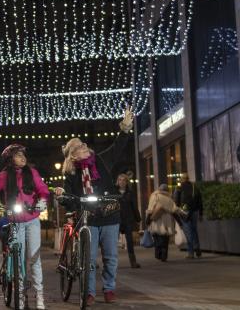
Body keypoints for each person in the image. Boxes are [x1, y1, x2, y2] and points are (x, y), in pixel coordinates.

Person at [54, 107, 134, 306]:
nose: (84, 148)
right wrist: (62, 196)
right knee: (88, 260)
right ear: (72, 156)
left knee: (111, 257)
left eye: (83, 145)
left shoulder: (100, 160)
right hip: (88, 218)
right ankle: (88, 292)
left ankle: (109, 289)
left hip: (109, 214)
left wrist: (125, 127)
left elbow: (118, 146)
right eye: (79, 148)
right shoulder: (71, 174)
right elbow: (70, 198)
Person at [0, 144, 49, 310]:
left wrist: (42, 200)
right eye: (18, 155)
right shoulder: (5, 175)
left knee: (35, 259)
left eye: (23, 154)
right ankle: (20, 295)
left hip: (32, 220)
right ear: (10, 160)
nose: (23, 158)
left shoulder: (32, 172)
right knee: (20, 262)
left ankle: (40, 295)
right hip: (15, 222)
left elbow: (43, 189)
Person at [146, 184, 181, 262]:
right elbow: (174, 210)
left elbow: (150, 208)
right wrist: (179, 221)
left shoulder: (155, 196)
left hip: (156, 219)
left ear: (159, 189)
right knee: (165, 238)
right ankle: (164, 255)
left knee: (156, 236)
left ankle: (158, 253)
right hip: (167, 219)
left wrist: (148, 219)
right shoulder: (169, 198)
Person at [116, 173, 141, 268]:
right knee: (113, 242)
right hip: (117, 220)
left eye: (124, 180)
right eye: (120, 180)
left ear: (127, 182)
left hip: (128, 220)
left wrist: (138, 219)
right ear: (117, 181)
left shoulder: (130, 193)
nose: (122, 182)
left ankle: (133, 262)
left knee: (130, 241)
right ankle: (111, 263)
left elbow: (134, 206)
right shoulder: (114, 192)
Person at [174, 174, 202, 259]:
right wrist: (201, 213)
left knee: (188, 232)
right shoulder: (194, 186)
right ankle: (197, 247)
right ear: (188, 179)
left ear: (182, 179)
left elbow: (176, 200)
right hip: (195, 211)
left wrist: (177, 210)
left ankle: (191, 253)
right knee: (194, 229)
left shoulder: (179, 187)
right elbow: (200, 200)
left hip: (184, 212)